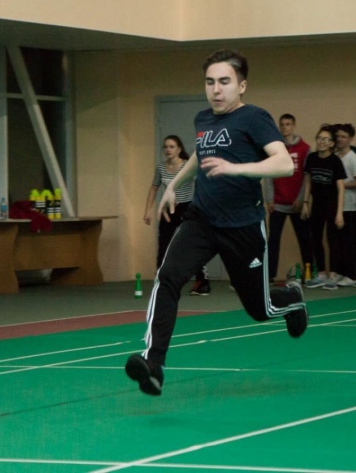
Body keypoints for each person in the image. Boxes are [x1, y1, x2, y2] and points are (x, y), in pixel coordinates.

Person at [124, 49, 307, 397]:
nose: (216, 90)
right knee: (168, 276)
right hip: (202, 220)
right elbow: (200, 154)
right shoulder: (203, 119)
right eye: (210, 82)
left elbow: (284, 164)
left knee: (260, 309)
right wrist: (174, 184)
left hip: (243, 227)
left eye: (224, 82)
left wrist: (235, 168)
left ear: (242, 85)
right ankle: (153, 363)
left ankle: (292, 300)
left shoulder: (255, 118)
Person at [144, 135, 210, 295]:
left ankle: (202, 282)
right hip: (169, 210)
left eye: (172, 146)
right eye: (165, 146)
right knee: (164, 245)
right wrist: (148, 210)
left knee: (192, 245)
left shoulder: (187, 166)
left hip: (187, 208)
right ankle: (161, 281)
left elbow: (202, 183)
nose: (168, 149)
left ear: (179, 149)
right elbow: (154, 188)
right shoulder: (161, 168)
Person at [265, 113, 312, 284]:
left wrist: (301, 199)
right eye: (282, 124)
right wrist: (269, 199)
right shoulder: (274, 148)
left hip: (296, 203)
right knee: (273, 240)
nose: (285, 127)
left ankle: (309, 274)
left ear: (294, 126)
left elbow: (307, 177)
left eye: (288, 124)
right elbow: (269, 173)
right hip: (278, 202)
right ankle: (270, 275)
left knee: (305, 239)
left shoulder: (305, 148)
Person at [301, 125, 346, 290]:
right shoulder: (312, 158)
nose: (322, 142)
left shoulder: (335, 161)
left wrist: (339, 213)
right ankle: (320, 274)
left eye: (326, 139)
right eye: (320, 138)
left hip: (332, 205)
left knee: (332, 240)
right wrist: (305, 203)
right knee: (315, 239)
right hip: (317, 205)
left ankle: (332, 275)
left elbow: (341, 188)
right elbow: (308, 181)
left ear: (332, 143)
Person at [332, 123, 356, 287]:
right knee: (339, 243)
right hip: (337, 207)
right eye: (338, 136)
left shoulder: (353, 158)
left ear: (350, 139)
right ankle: (342, 272)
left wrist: (342, 185)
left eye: (343, 137)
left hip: (351, 207)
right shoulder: (335, 157)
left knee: (349, 243)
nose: (340, 139)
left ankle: (352, 275)